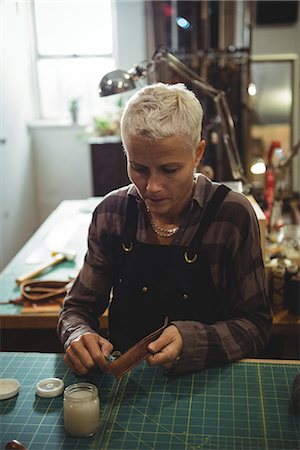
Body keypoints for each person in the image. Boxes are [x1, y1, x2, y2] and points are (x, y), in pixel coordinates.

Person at [57, 82, 272, 377]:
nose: (152, 187)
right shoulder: (112, 213)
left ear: (197, 154)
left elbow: (256, 325)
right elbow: (77, 308)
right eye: (139, 168)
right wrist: (78, 335)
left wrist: (194, 341)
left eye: (170, 170)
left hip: (210, 381)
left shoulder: (231, 216)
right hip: (127, 384)